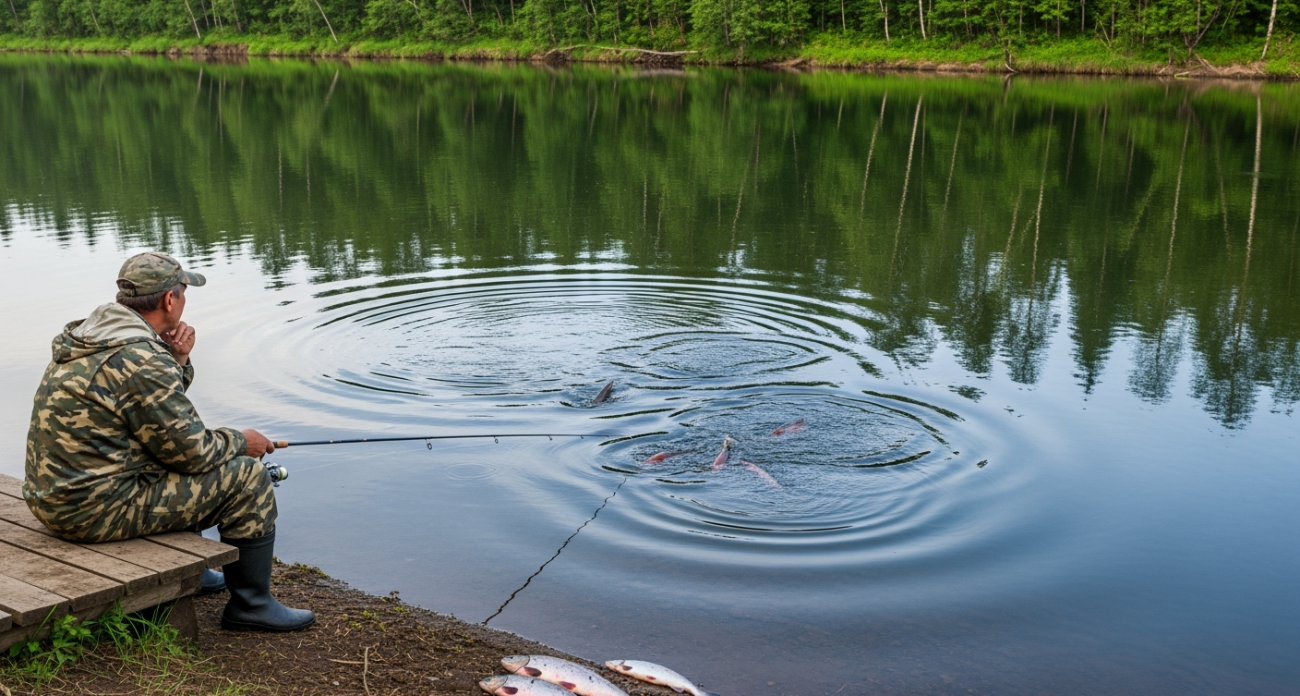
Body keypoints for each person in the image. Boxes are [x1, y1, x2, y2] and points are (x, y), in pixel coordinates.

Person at [24, 251, 315, 633]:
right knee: (246, 478)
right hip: (89, 512)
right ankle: (252, 605)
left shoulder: (91, 337)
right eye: (183, 292)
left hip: (54, 498)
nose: (183, 300)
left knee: (169, 454)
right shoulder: (140, 357)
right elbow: (193, 452)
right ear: (169, 300)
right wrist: (242, 441)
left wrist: (177, 360)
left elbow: (152, 418)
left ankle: (195, 567)